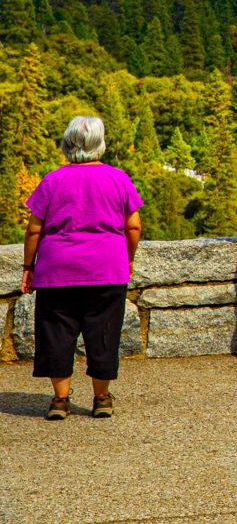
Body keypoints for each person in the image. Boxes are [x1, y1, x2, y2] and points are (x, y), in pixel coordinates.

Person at [20, 116, 141, 420]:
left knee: (56, 332)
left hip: (56, 269)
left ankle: (60, 401)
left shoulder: (52, 180)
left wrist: (28, 266)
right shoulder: (118, 178)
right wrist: (127, 257)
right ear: (99, 144)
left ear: (68, 144)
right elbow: (134, 226)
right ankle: (101, 398)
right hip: (107, 268)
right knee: (103, 331)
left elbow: (34, 229)